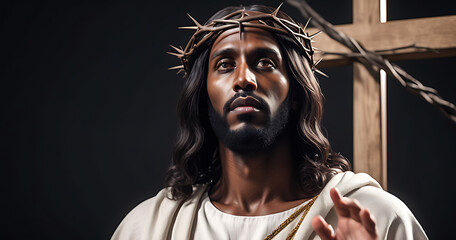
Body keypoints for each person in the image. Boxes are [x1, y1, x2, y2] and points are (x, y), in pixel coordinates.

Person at [112, 5, 427, 240]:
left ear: (294, 91)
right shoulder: (145, 228)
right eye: (224, 64)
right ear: (204, 95)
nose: (244, 79)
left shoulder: (381, 217)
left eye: (265, 62)